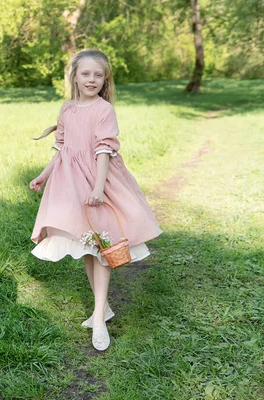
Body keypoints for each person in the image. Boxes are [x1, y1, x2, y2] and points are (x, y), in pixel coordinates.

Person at [29, 49, 162, 351]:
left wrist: (99, 187)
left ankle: (99, 317)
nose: (91, 79)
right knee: (86, 246)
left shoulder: (103, 110)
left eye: (98, 75)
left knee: (102, 247)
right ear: (74, 75)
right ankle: (104, 309)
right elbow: (62, 148)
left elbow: (104, 150)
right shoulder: (67, 108)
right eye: (85, 73)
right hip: (70, 184)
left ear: (105, 80)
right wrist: (43, 176)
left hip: (99, 181)